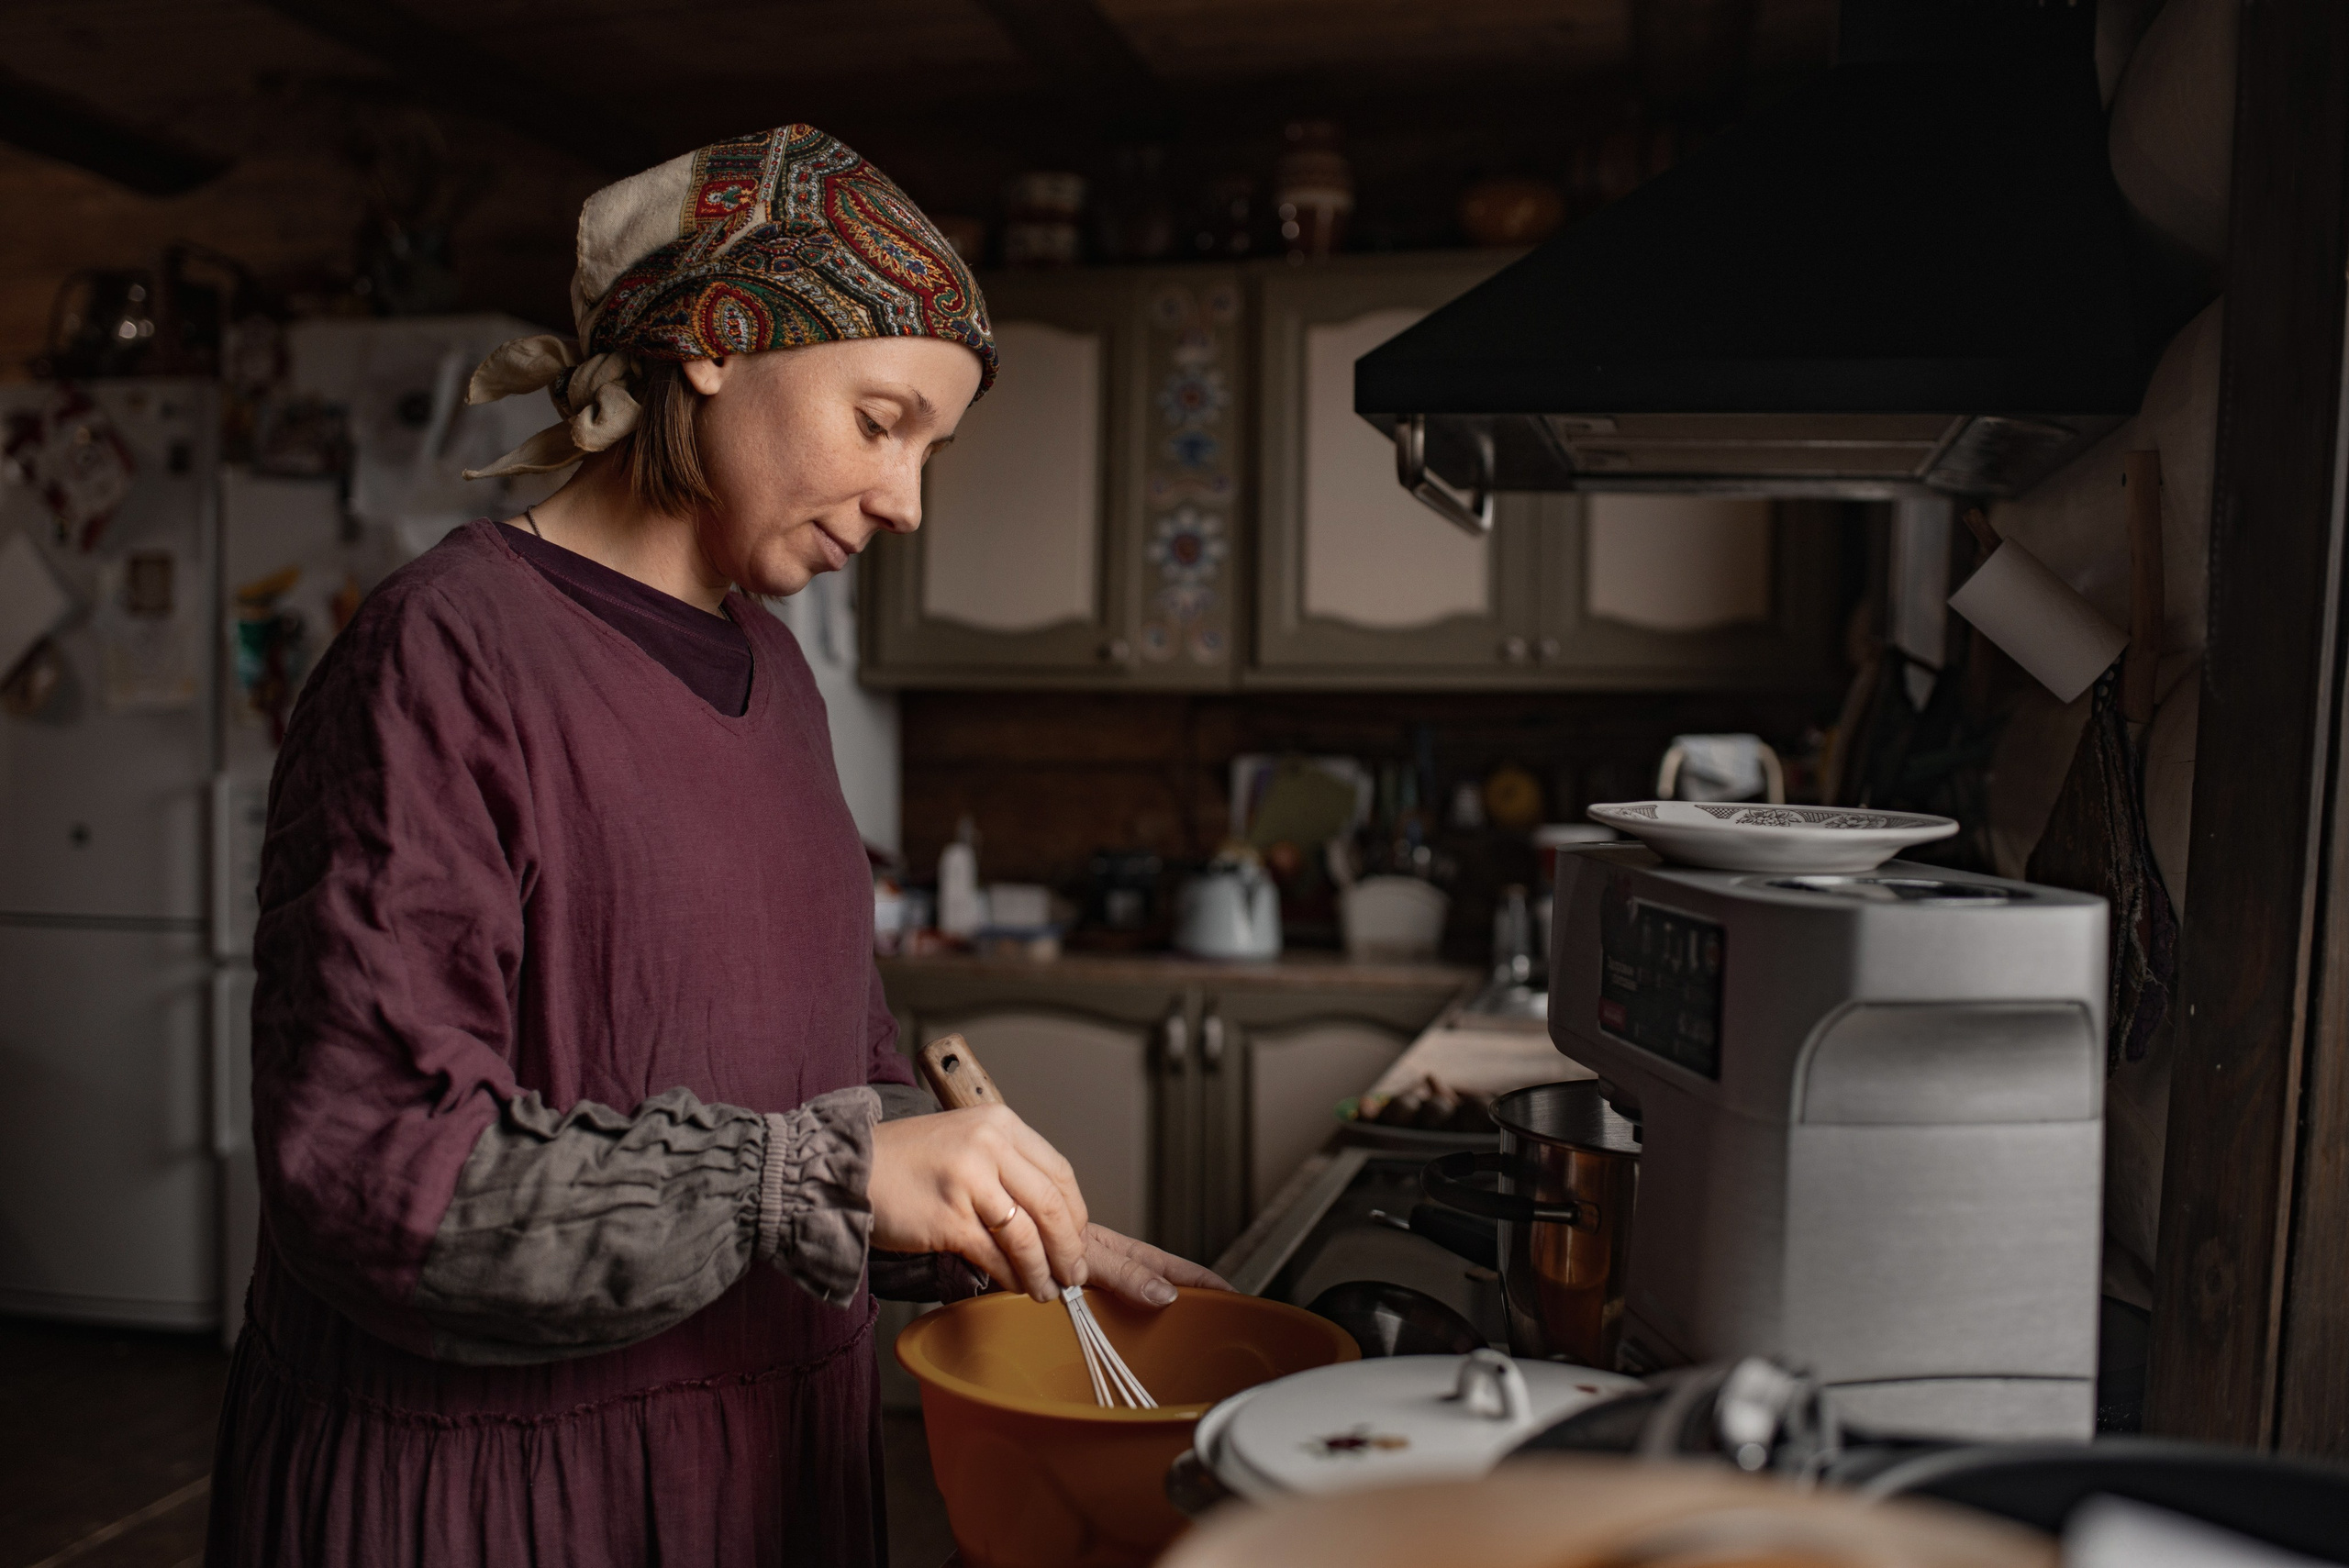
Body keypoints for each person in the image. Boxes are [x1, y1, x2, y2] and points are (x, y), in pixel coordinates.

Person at [206, 124, 1222, 1568]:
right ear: (717, 344)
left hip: (764, 1478)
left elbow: (821, 1085)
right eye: (881, 421)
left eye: (932, 446)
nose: (908, 500)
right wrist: (824, 1176)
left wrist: (977, 1226)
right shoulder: (444, 654)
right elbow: (374, 1174)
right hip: (501, 1504)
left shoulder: (783, 677)